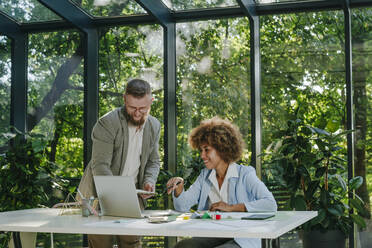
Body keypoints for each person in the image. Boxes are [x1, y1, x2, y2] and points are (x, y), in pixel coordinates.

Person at [166, 117, 277, 248]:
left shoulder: (245, 174)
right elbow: (182, 206)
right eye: (201, 150)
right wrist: (179, 187)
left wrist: (231, 208)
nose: (202, 155)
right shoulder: (204, 176)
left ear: (222, 148)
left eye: (207, 150)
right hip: (213, 233)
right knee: (184, 246)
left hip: (242, 236)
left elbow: (270, 204)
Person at [78, 79, 161, 248]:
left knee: (131, 243)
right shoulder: (107, 123)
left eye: (143, 108)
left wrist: (149, 182)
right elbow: (100, 165)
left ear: (151, 101)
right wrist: (117, 195)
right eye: (132, 108)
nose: (137, 113)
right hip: (99, 195)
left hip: (133, 196)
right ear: (124, 99)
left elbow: (153, 161)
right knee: (101, 243)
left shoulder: (154, 125)